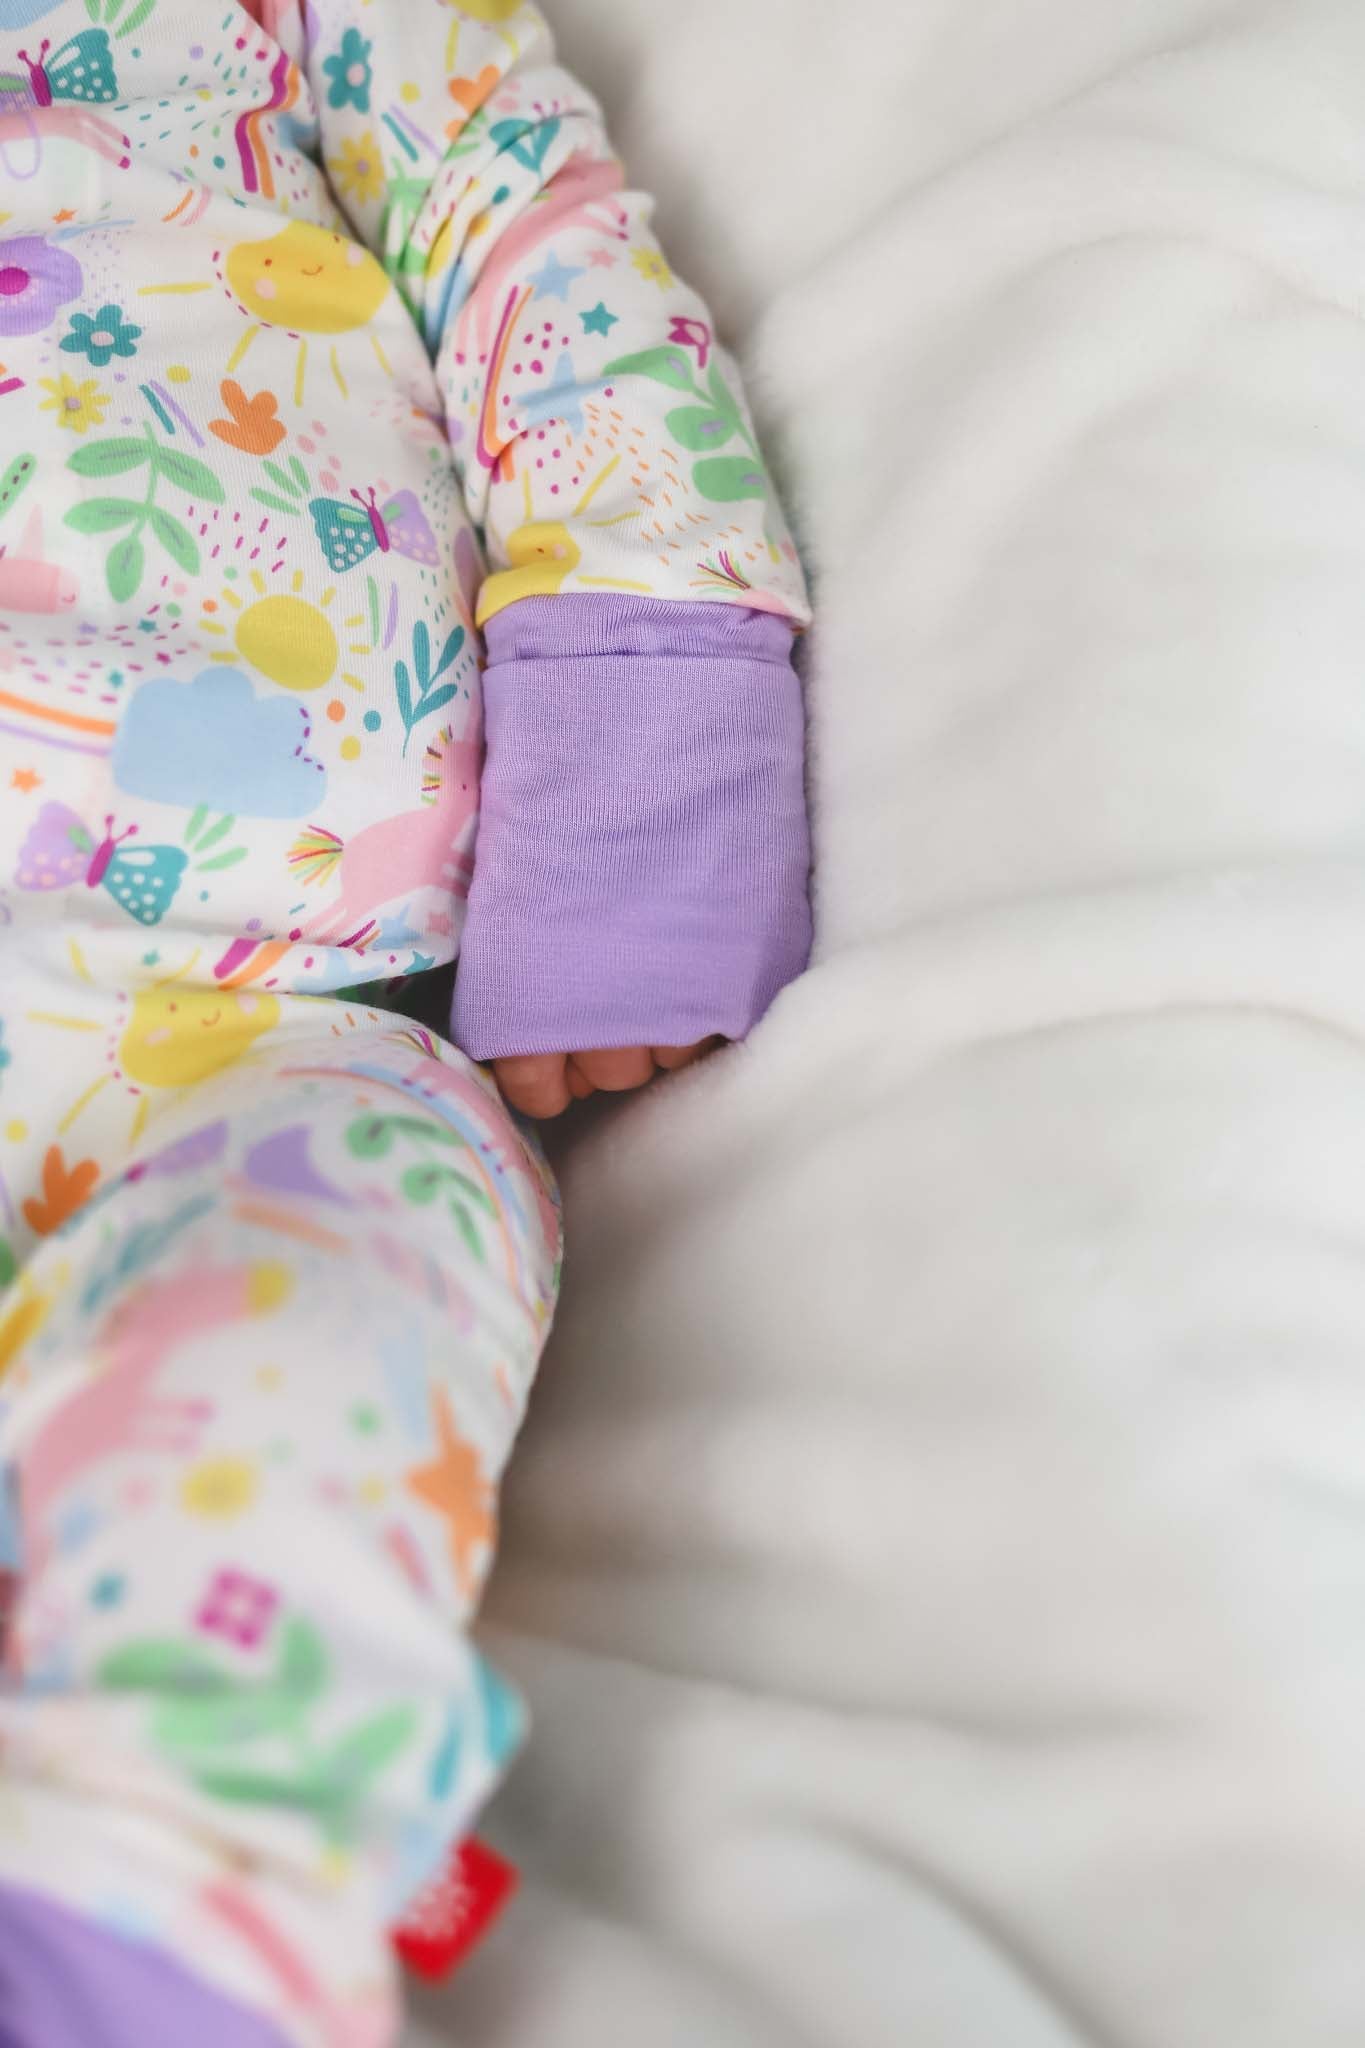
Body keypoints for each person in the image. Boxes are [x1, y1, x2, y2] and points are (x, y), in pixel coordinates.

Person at [0, 2, 811, 2040]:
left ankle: (156, 1884)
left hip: (276, 1011)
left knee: (303, 1336)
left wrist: (638, 770)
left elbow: (528, 233)